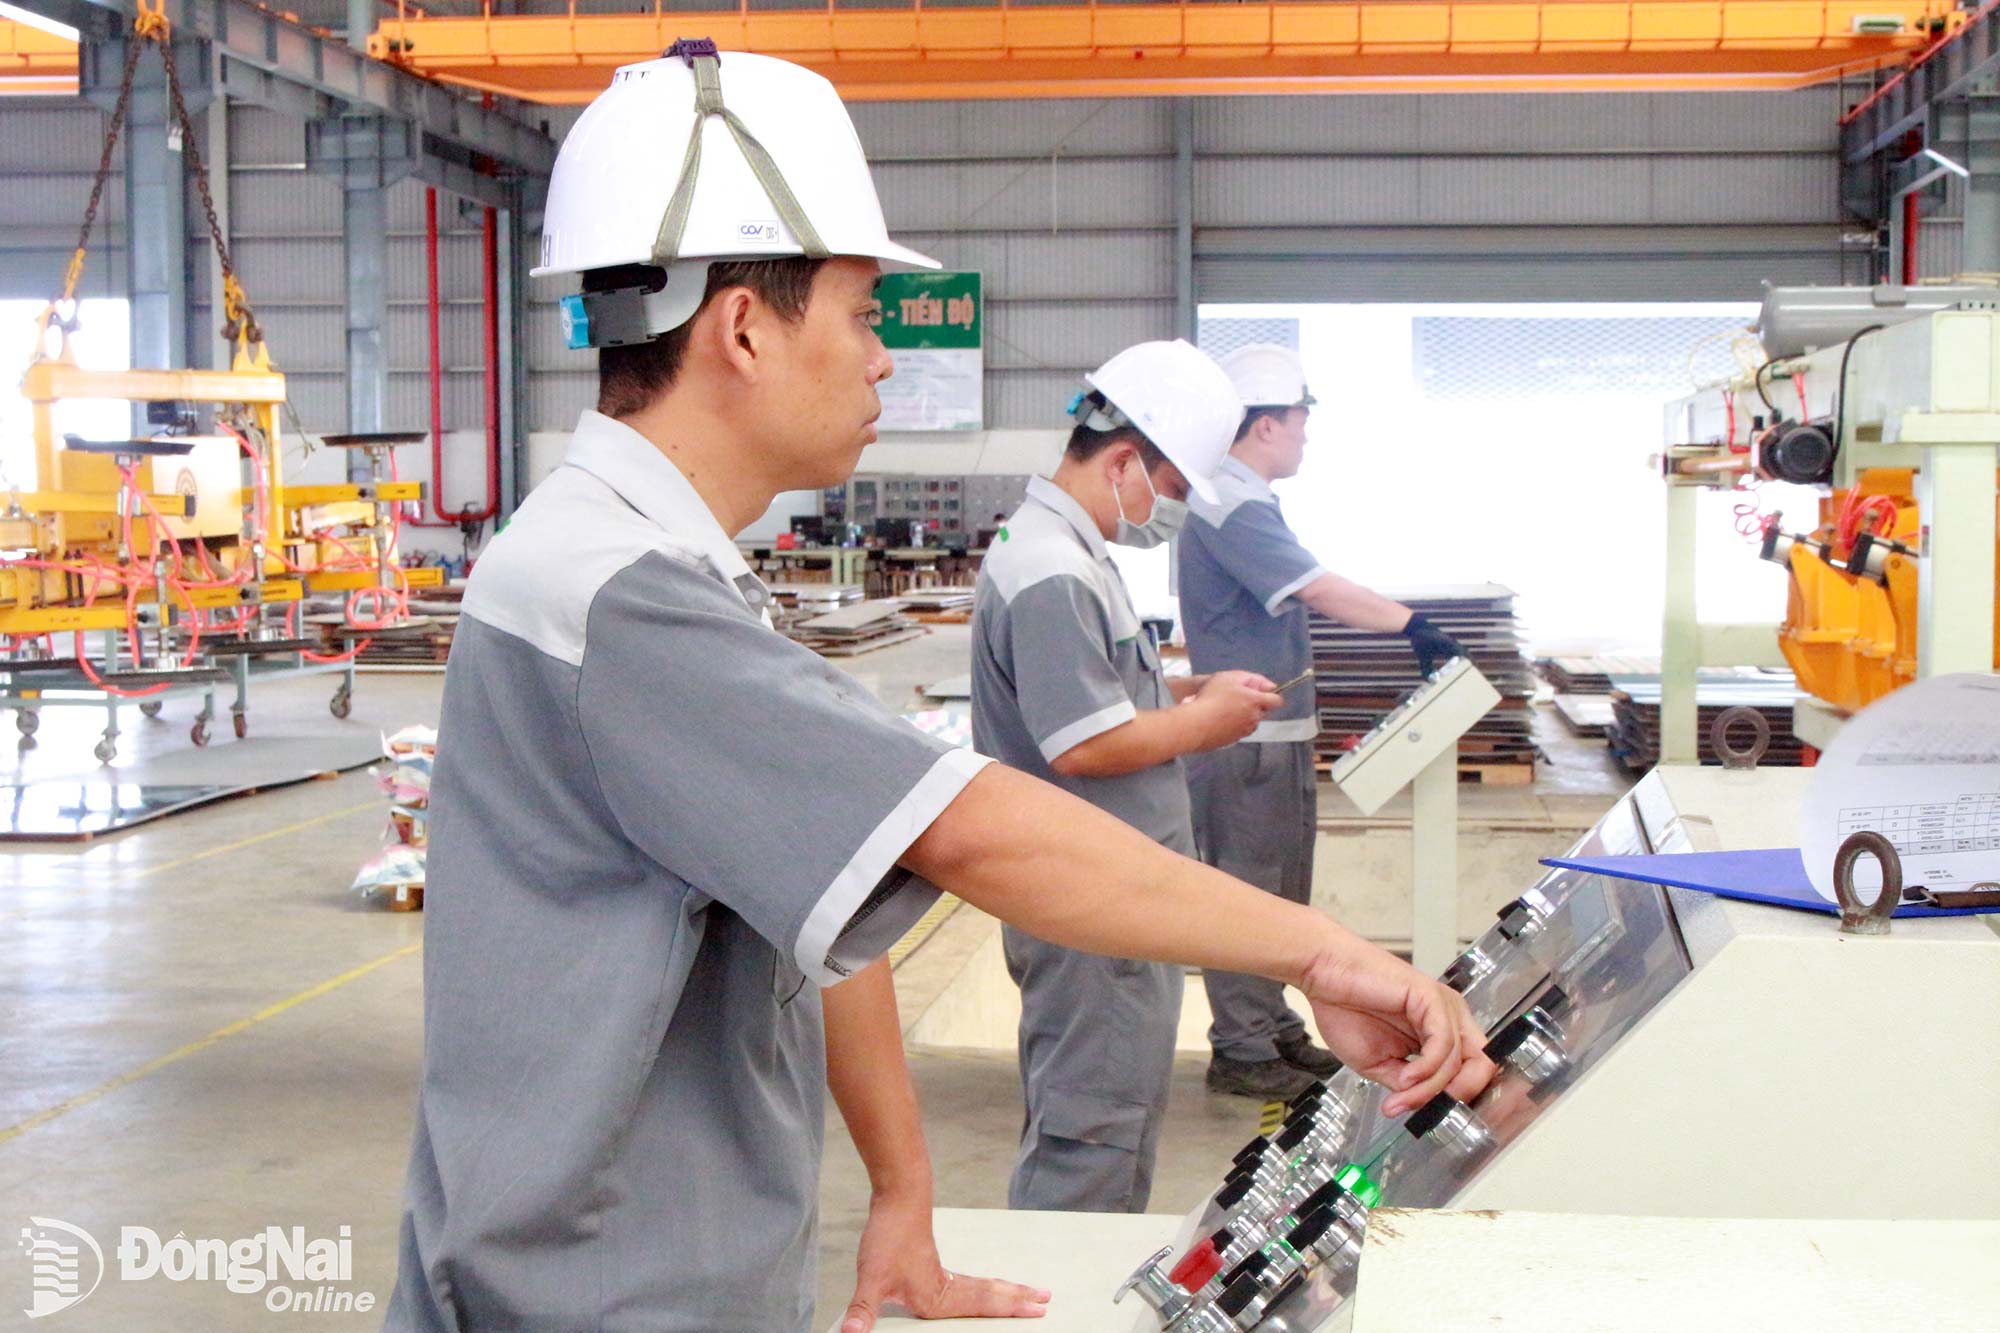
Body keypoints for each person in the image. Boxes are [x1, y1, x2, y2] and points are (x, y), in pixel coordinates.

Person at [386, 47, 1492, 1333]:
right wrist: (1327, 954)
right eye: (862, 315)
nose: (878, 358)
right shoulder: (618, 593)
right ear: (743, 325)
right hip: (586, 1293)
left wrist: (903, 1191)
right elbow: (970, 828)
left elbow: (818, 883)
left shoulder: (652, 566)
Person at [970, 339, 1285, 1213]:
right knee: (1091, 1135)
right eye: (1175, 489)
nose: (1172, 510)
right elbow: (1083, 745)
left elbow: (1099, 692)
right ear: (1122, 461)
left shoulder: (1074, 553)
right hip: (1088, 903)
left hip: (1114, 890)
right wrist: (1204, 721)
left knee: (1114, 1123)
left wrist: (1184, 688)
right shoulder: (1051, 571)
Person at [1178, 343, 1467, 1101]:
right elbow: (1319, 588)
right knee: (1246, 896)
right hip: (1245, 744)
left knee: (1279, 897)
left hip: (1274, 738)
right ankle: (1241, 1045)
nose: (1306, 436)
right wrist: (1414, 626)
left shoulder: (1245, 498)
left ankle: (1271, 1028)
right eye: (1300, 421)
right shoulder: (1228, 504)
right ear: (1266, 425)